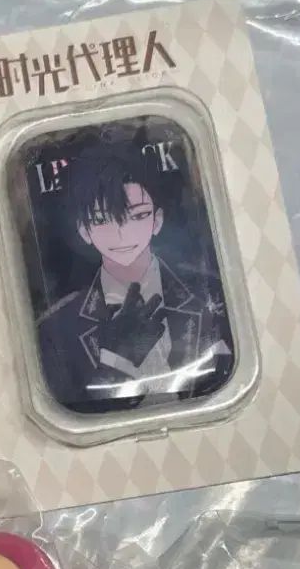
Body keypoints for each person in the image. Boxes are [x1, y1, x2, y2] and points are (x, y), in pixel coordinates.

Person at [36, 139, 233, 412]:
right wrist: (117, 361)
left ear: (157, 220)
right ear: (84, 230)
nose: (121, 234)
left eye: (138, 215)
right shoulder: (58, 329)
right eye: (102, 220)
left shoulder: (212, 294)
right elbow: (71, 414)